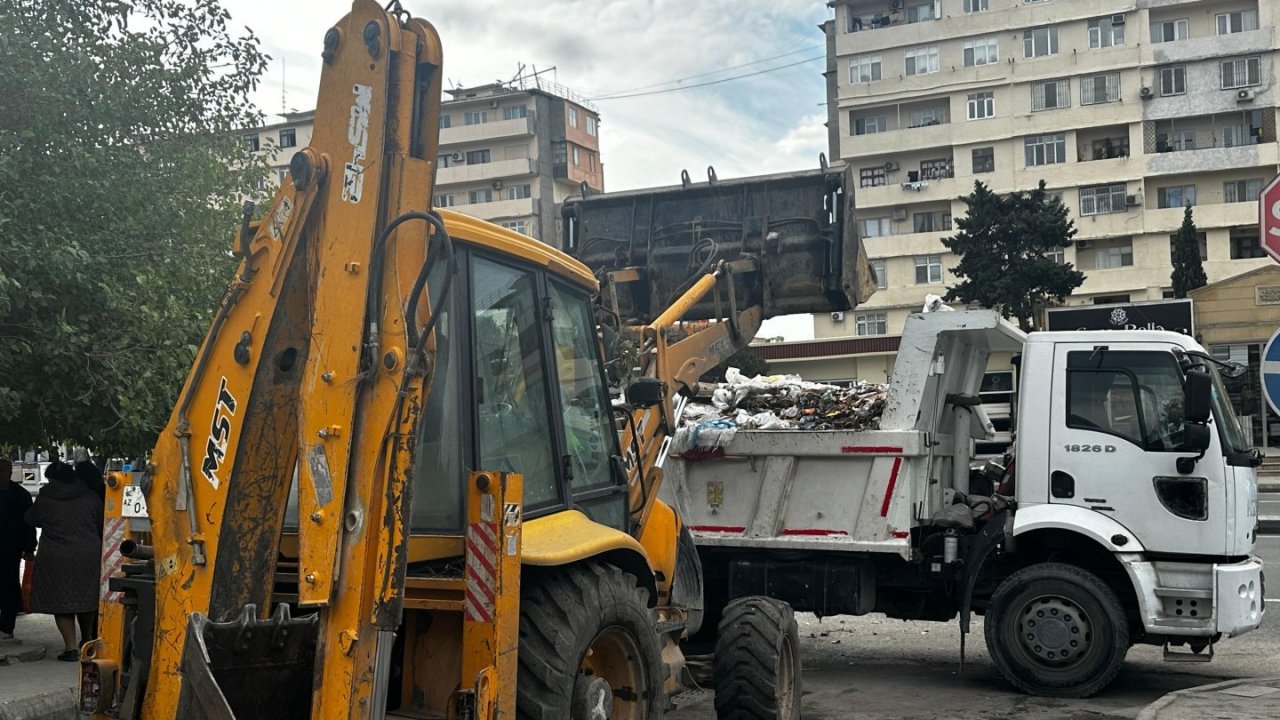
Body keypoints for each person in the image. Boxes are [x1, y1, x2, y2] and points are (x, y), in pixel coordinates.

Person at [26, 459, 103, 661]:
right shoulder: (90, 497)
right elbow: (101, 521)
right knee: (86, 598)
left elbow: (31, 519)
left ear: (51, 478)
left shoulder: (45, 499)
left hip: (56, 556)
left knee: (61, 601)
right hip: (88, 554)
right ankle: (87, 640)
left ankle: (70, 647)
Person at [0, 458, 37, 640]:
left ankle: (7, 625)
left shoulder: (20, 495)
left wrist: (29, 547)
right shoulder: (19, 494)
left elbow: (28, 524)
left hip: (10, 548)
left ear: (9, 473)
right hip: (10, 546)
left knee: (9, 585)